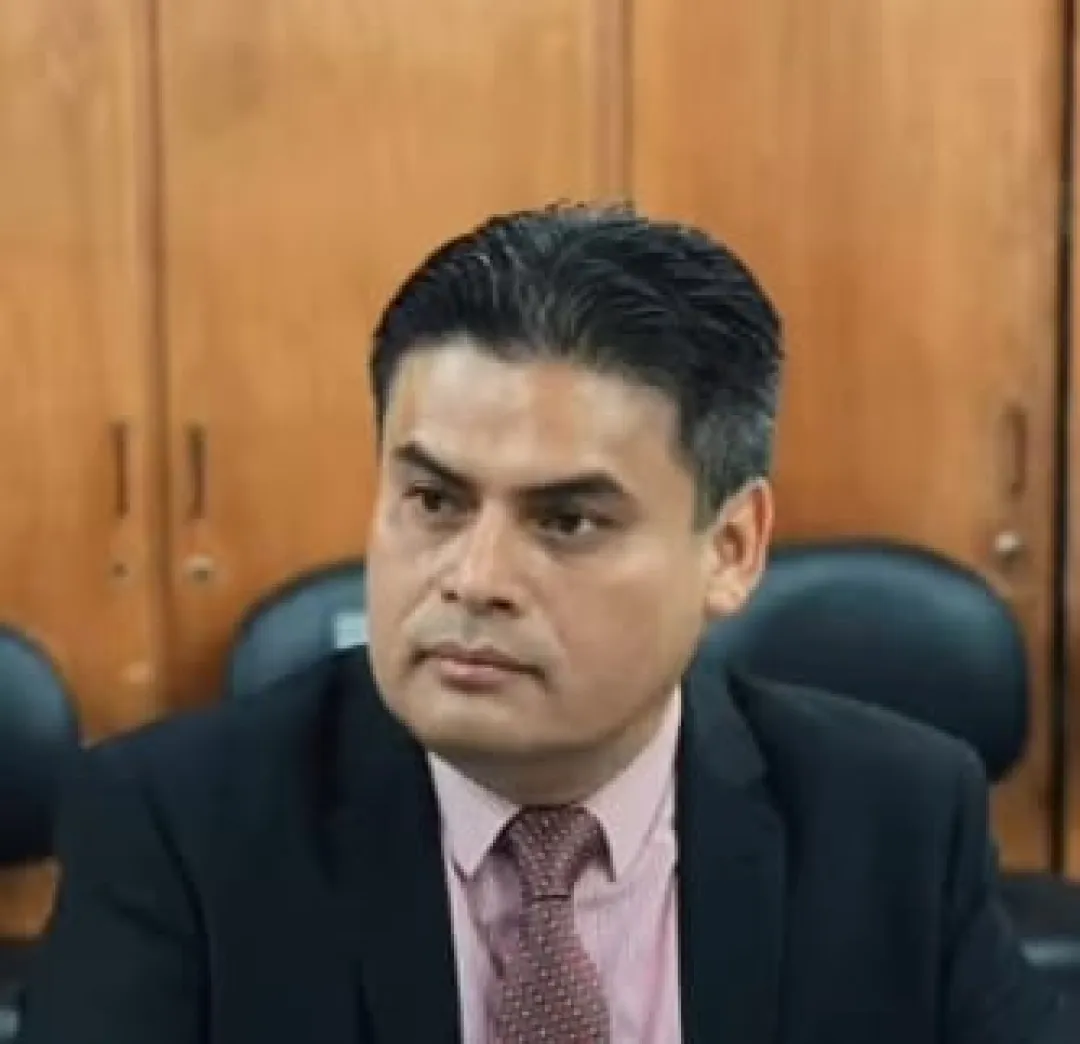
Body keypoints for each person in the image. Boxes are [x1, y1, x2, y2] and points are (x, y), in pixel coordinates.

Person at [19, 204, 1069, 1044]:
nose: (475, 579)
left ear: (731, 549)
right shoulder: (180, 831)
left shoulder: (891, 821)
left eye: (566, 521)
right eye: (434, 501)